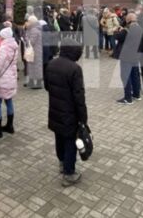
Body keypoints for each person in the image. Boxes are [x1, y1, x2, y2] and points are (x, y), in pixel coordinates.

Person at [44, 38, 88, 187]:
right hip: (70, 112)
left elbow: (47, 86)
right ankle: (69, 173)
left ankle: (62, 163)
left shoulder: (51, 64)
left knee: (59, 137)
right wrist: (83, 118)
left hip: (55, 109)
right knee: (70, 142)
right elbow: (79, 96)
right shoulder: (75, 69)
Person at [114, 13, 142, 104]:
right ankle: (136, 95)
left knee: (125, 76)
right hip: (135, 55)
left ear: (128, 20)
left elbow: (117, 37)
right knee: (135, 75)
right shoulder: (139, 28)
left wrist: (116, 31)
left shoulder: (126, 30)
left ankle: (128, 98)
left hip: (126, 56)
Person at [24, 16, 44, 89]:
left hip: (35, 52)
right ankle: (32, 81)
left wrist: (26, 36)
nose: (27, 23)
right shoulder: (34, 29)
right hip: (34, 51)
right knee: (33, 67)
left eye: (28, 21)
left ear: (32, 22)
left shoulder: (34, 30)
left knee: (36, 67)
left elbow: (31, 42)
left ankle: (38, 83)